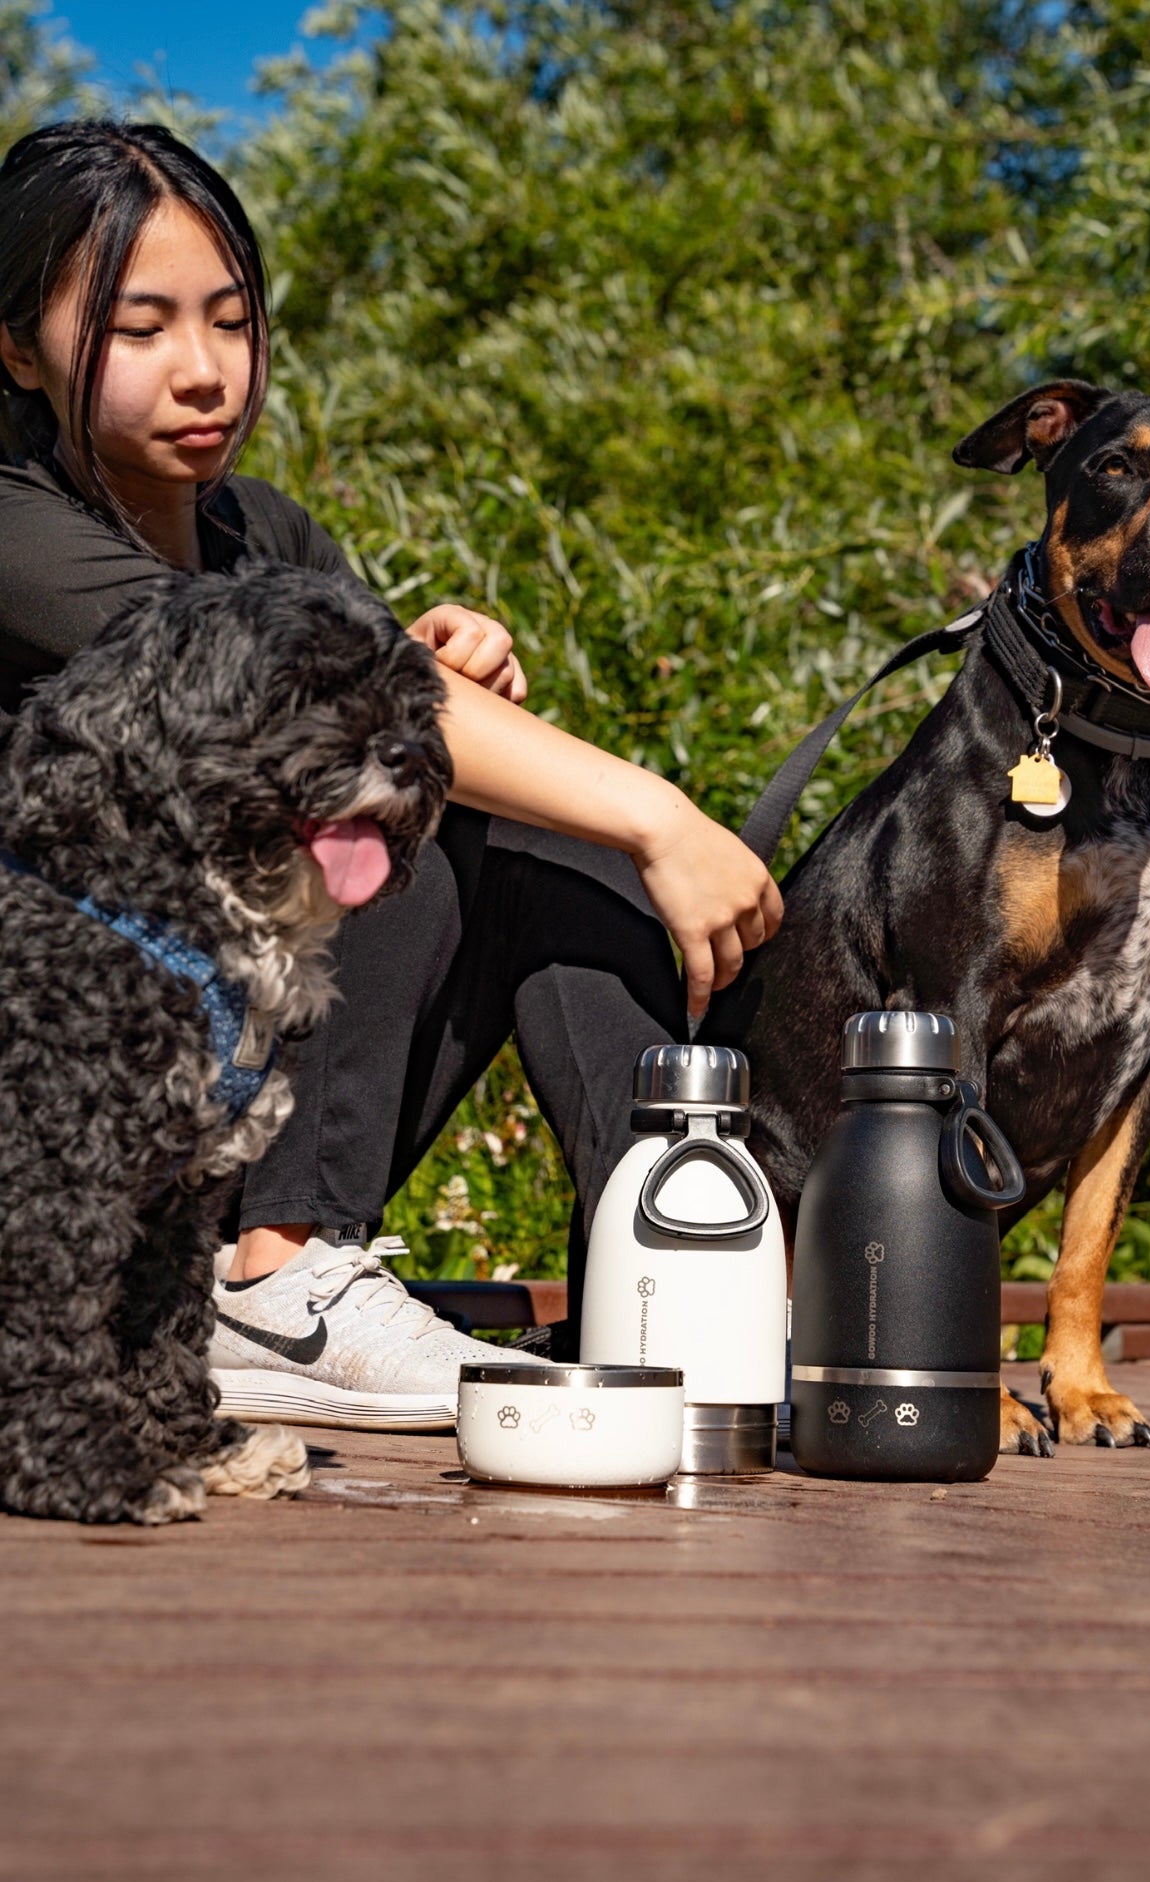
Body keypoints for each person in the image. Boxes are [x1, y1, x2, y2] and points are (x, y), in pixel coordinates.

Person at [0, 119, 782, 1427]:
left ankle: (667, 1272)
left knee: (548, 842)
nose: (204, 373)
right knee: (380, 802)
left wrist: (447, 669)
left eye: (232, 322)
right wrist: (661, 812)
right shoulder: (16, 522)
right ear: (18, 344)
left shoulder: (268, 535)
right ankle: (278, 1270)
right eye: (139, 331)